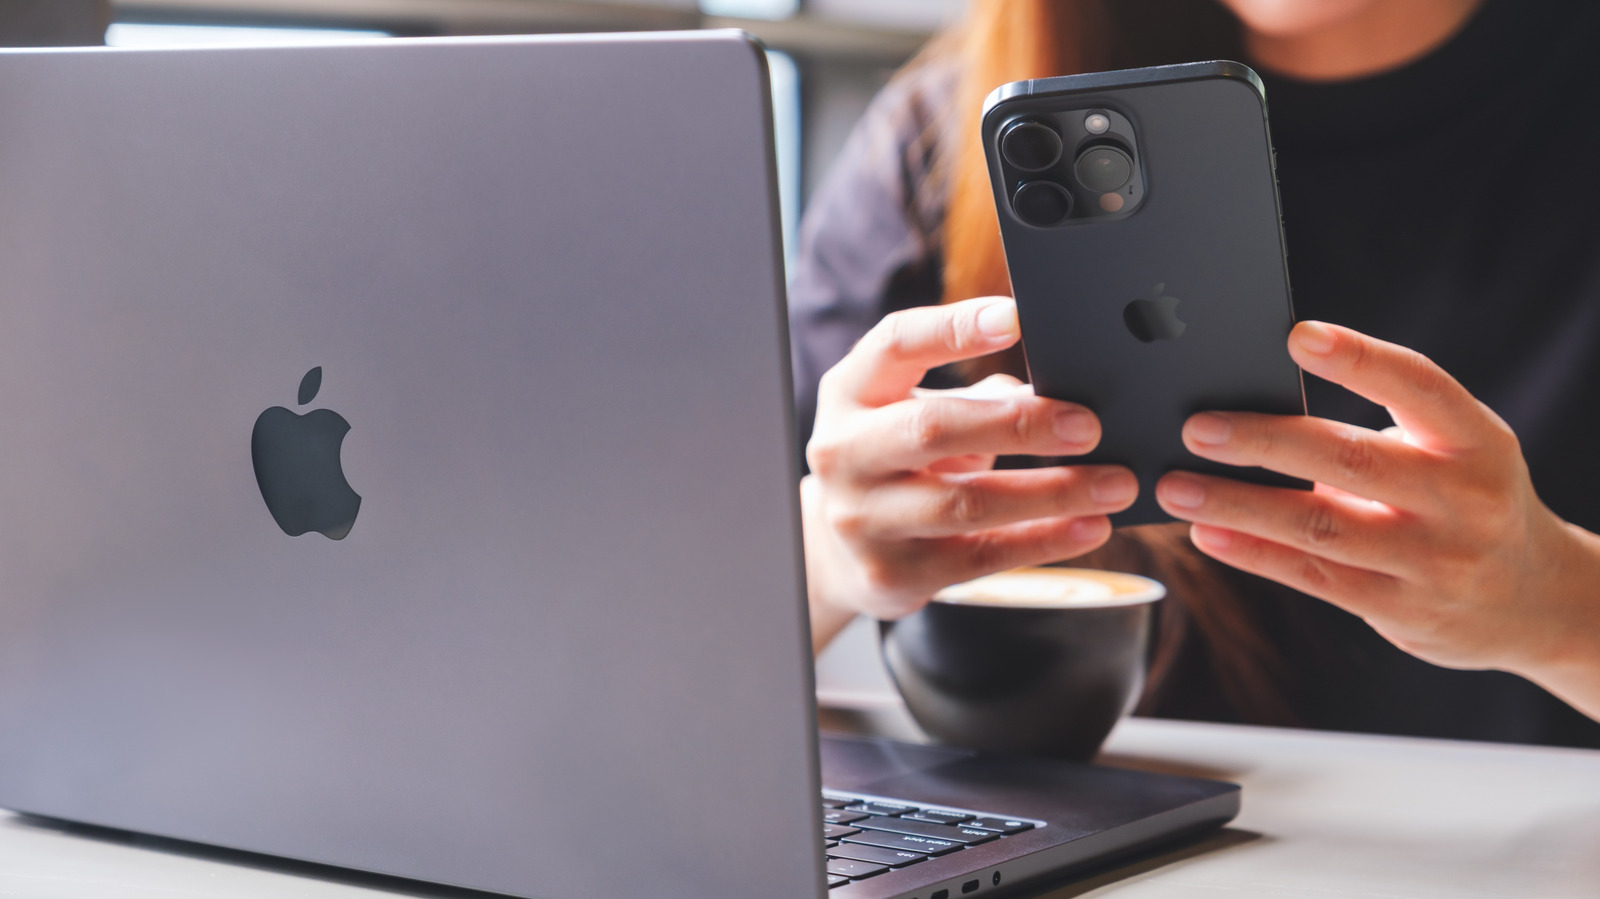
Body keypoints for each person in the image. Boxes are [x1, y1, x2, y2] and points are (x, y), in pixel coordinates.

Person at [791, 0, 1600, 746]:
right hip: (1098, 838)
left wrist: (1558, 602)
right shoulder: (946, 138)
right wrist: (825, 565)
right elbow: (716, 642)